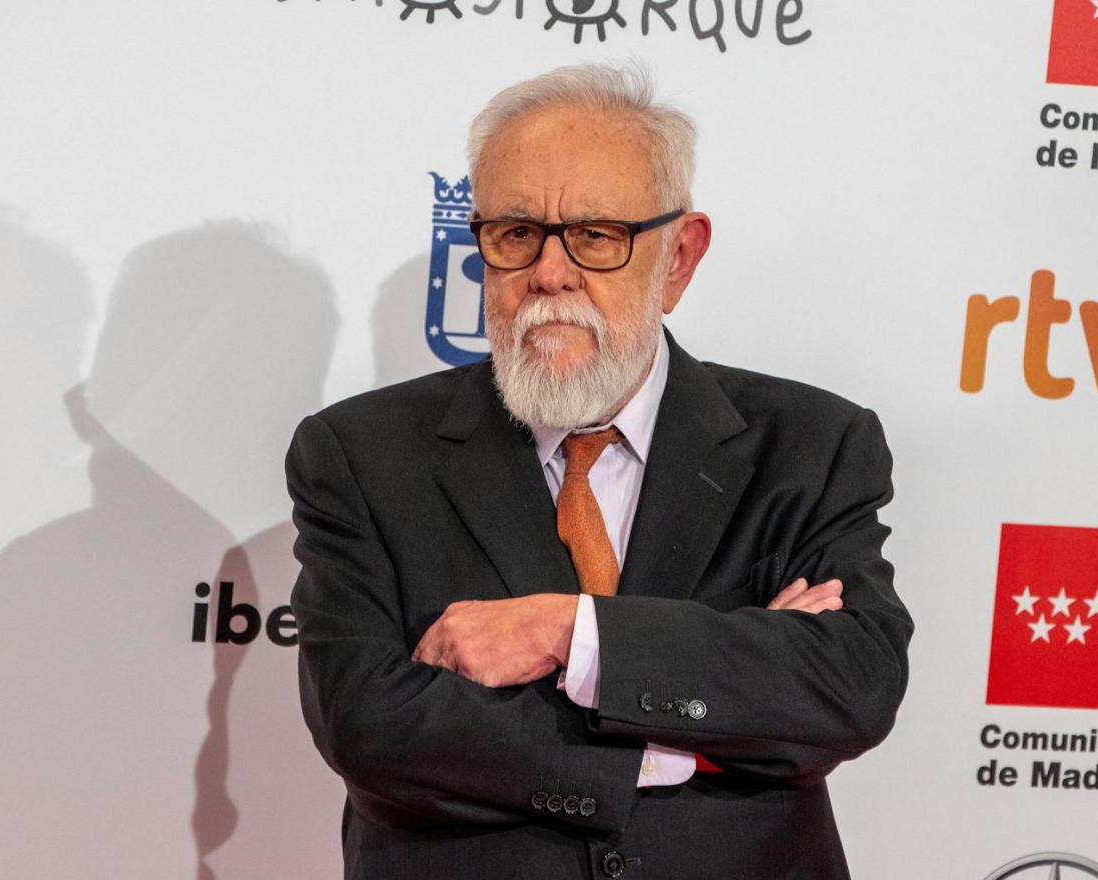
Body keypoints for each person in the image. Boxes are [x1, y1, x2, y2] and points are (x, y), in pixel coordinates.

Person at [287, 64, 913, 880]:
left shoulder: (811, 444)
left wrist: (564, 632)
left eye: (596, 235)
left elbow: (849, 685)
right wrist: (694, 739)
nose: (549, 273)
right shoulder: (360, 456)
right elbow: (370, 726)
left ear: (679, 260)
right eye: (515, 233)